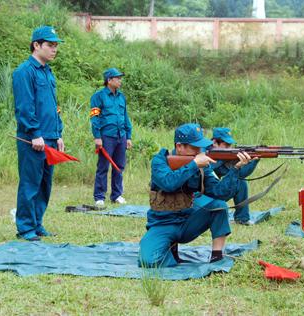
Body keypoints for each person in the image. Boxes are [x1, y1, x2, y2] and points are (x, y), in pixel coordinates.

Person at [138, 123, 252, 268]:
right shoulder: (160, 160)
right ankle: (170, 250)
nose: (199, 152)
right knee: (148, 261)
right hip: (162, 223)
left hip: (187, 221)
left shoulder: (202, 164)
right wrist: (193, 165)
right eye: (194, 148)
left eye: (200, 148)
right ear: (179, 146)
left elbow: (219, 192)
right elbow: (169, 183)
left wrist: (236, 169)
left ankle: (217, 257)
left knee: (219, 205)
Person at [12, 26, 65, 241]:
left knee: (44, 184)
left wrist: (58, 133)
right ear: (36, 45)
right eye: (50, 45)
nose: (54, 50)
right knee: (30, 182)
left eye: (55, 46)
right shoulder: (24, 71)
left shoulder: (47, 72)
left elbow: (52, 106)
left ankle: (36, 223)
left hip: (50, 137)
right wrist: (34, 133)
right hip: (33, 138)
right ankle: (25, 227)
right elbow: (25, 106)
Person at [196, 127, 259, 225]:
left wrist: (254, 161)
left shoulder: (224, 155)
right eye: (226, 145)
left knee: (241, 182)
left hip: (216, 190)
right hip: (199, 196)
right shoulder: (202, 153)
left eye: (230, 145)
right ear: (214, 143)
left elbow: (241, 175)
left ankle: (242, 218)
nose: (229, 148)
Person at [90, 68, 132, 206]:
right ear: (109, 80)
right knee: (103, 166)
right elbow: (95, 118)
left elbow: (125, 117)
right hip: (106, 136)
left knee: (119, 166)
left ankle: (116, 195)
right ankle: (99, 196)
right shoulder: (98, 96)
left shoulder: (121, 96)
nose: (120, 80)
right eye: (117, 78)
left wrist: (128, 136)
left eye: (120, 78)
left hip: (121, 135)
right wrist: (97, 136)